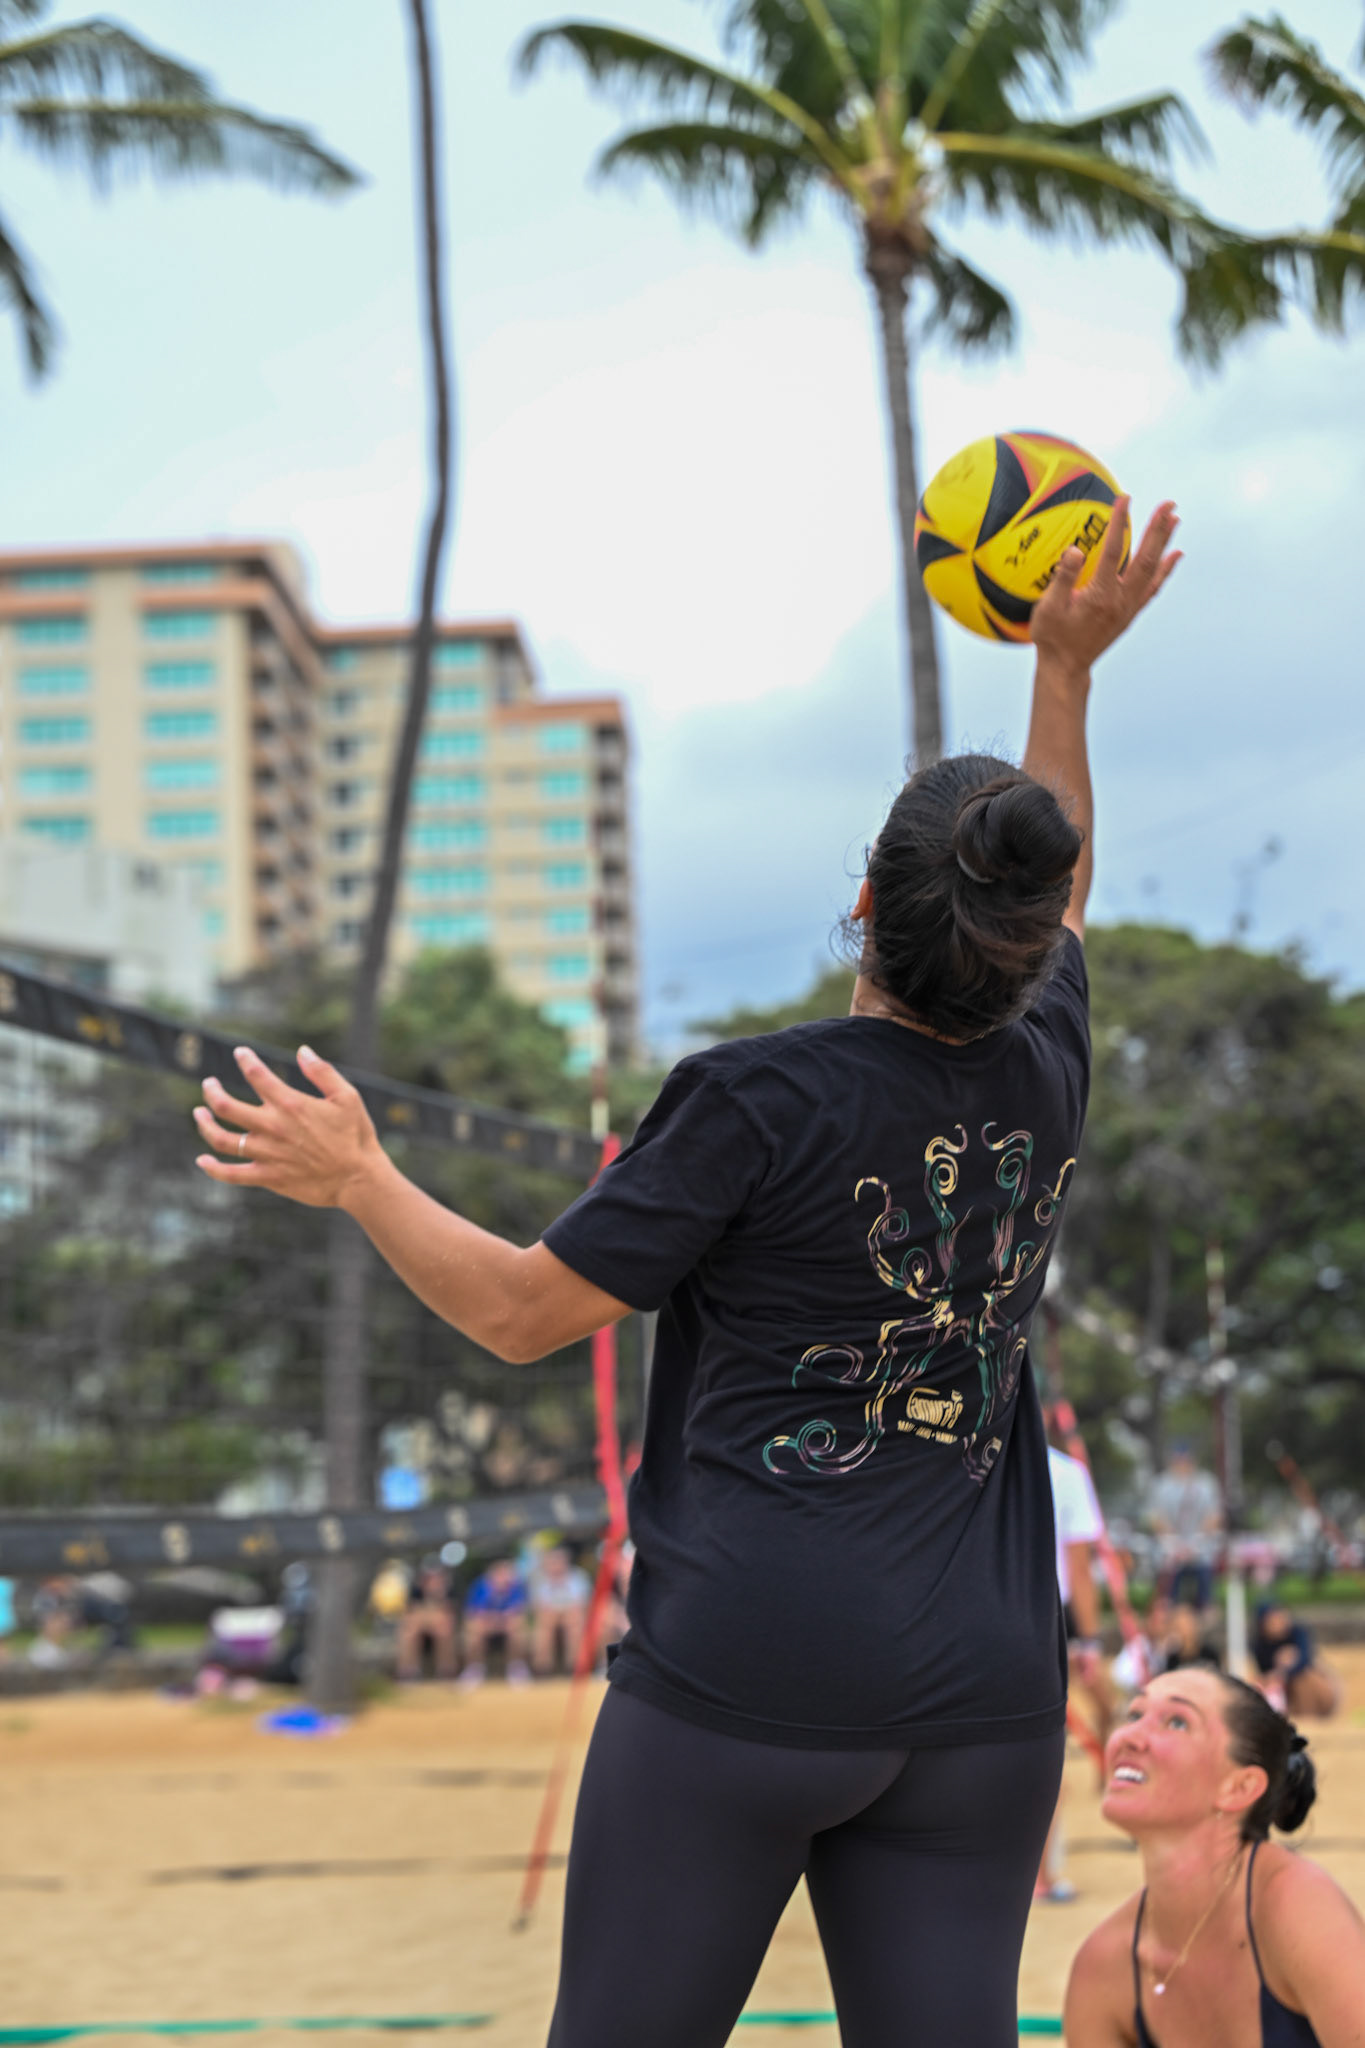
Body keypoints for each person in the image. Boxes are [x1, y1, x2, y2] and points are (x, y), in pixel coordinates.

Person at [191, 502, 1181, 2048]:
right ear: (1031, 933)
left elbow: (523, 1314)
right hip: (981, 1695)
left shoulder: (756, 1100)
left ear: (864, 900)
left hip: (748, 1678)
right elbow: (1058, 886)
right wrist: (1063, 673)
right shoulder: (1049, 1060)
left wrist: (359, 1176)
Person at [1064, 1668, 1365, 2044]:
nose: (1130, 1736)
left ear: (1240, 1787)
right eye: (1134, 1714)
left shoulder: (1295, 1908)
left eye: (1176, 1722)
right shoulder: (1103, 1966)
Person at [1038, 1436, 1110, 1902]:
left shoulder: (965, 1453)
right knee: (1045, 1749)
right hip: (1043, 1620)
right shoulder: (1064, 1473)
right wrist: (1089, 1641)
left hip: (967, 1619)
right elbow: (1079, 1570)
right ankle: (1045, 1875)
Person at [1149, 1445, 1223, 1613]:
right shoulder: (1161, 1484)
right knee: (1167, 1567)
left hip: (1200, 1544)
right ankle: (1166, 1606)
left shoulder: (1206, 1483)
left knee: (1205, 1565)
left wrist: (1195, 1543)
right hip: (1171, 1545)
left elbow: (1214, 1517)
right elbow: (1156, 1518)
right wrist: (1176, 1544)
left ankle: (1207, 1606)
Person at [1251, 1601, 1340, 1721]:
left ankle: (1308, 1715)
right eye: (1273, 1620)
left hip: (1314, 1691)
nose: (1279, 1622)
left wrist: (1286, 1669)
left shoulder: (1298, 1632)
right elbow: (1265, 1671)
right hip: (1283, 1690)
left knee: (1303, 1678)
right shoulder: (1259, 1645)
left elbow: (1305, 1659)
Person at [459, 1557, 530, 1687]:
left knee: (517, 1627)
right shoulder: (480, 1586)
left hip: (506, 1626)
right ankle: (475, 1669)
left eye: (507, 1573)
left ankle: (516, 1669)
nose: (506, 1576)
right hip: (487, 1626)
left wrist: (502, 1620)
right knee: (474, 1629)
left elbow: (518, 1612)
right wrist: (493, 1620)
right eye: (502, 1573)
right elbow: (473, 1614)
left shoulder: (516, 1587)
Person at [527, 1545, 592, 1677]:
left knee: (575, 1624)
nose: (555, 1565)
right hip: (548, 1618)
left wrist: (565, 1612)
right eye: (552, 1561)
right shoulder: (538, 1579)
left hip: (572, 1617)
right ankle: (542, 1668)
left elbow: (583, 1604)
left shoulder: (579, 1576)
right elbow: (536, 1606)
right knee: (543, 1625)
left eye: (559, 1561)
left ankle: (574, 1667)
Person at [396, 1555, 458, 1682]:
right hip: (420, 1629)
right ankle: (408, 1671)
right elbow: (410, 1615)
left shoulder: (448, 1590)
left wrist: (437, 1598)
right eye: (430, 1577)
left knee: (444, 1631)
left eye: (437, 1576)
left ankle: (446, 1670)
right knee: (408, 1633)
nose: (433, 1580)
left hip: (440, 1628)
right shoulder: (415, 1590)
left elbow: (449, 1614)